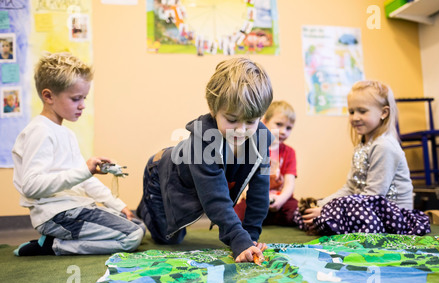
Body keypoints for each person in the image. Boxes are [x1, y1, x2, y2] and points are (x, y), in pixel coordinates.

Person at [136, 57, 273, 263]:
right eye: (232, 120)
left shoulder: (263, 141)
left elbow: (260, 192)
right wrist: (238, 238)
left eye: (251, 122)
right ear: (213, 109)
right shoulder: (203, 142)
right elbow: (215, 198)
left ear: (261, 116)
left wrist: (250, 238)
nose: (241, 130)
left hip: (195, 181)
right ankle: (141, 210)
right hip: (161, 170)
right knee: (169, 239)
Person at [12, 52, 145, 256]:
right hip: (57, 215)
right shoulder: (40, 131)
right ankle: (54, 246)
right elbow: (31, 187)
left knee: (138, 226)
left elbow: (83, 180)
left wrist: (118, 205)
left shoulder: (66, 133)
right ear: (48, 96)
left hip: (75, 208)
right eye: (76, 99)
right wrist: (84, 170)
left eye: (84, 98)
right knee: (132, 236)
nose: (82, 105)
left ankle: (52, 241)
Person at [294, 80, 430, 235]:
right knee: (304, 213)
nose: (355, 117)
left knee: (327, 217)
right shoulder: (362, 145)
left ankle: (326, 221)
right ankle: (324, 218)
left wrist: (329, 210)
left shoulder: (384, 146)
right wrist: (321, 204)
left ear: (383, 113)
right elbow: (350, 188)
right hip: (365, 206)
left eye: (362, 111)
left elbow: (374, 196)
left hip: (393, 216)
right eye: (351, 112)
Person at [234, 100, 298, 226]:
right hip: (255, 196)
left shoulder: (289, 152)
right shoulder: (253, 148)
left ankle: (266, 217)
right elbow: (244, 178)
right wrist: (249, 195)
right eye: (279, 124)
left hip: (278, 198)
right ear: (264, 122)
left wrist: (280, 200)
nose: (284, 131)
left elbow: (290, 183)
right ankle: (264, 217)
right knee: (236, 215)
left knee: (293, 210)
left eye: (289, 128)